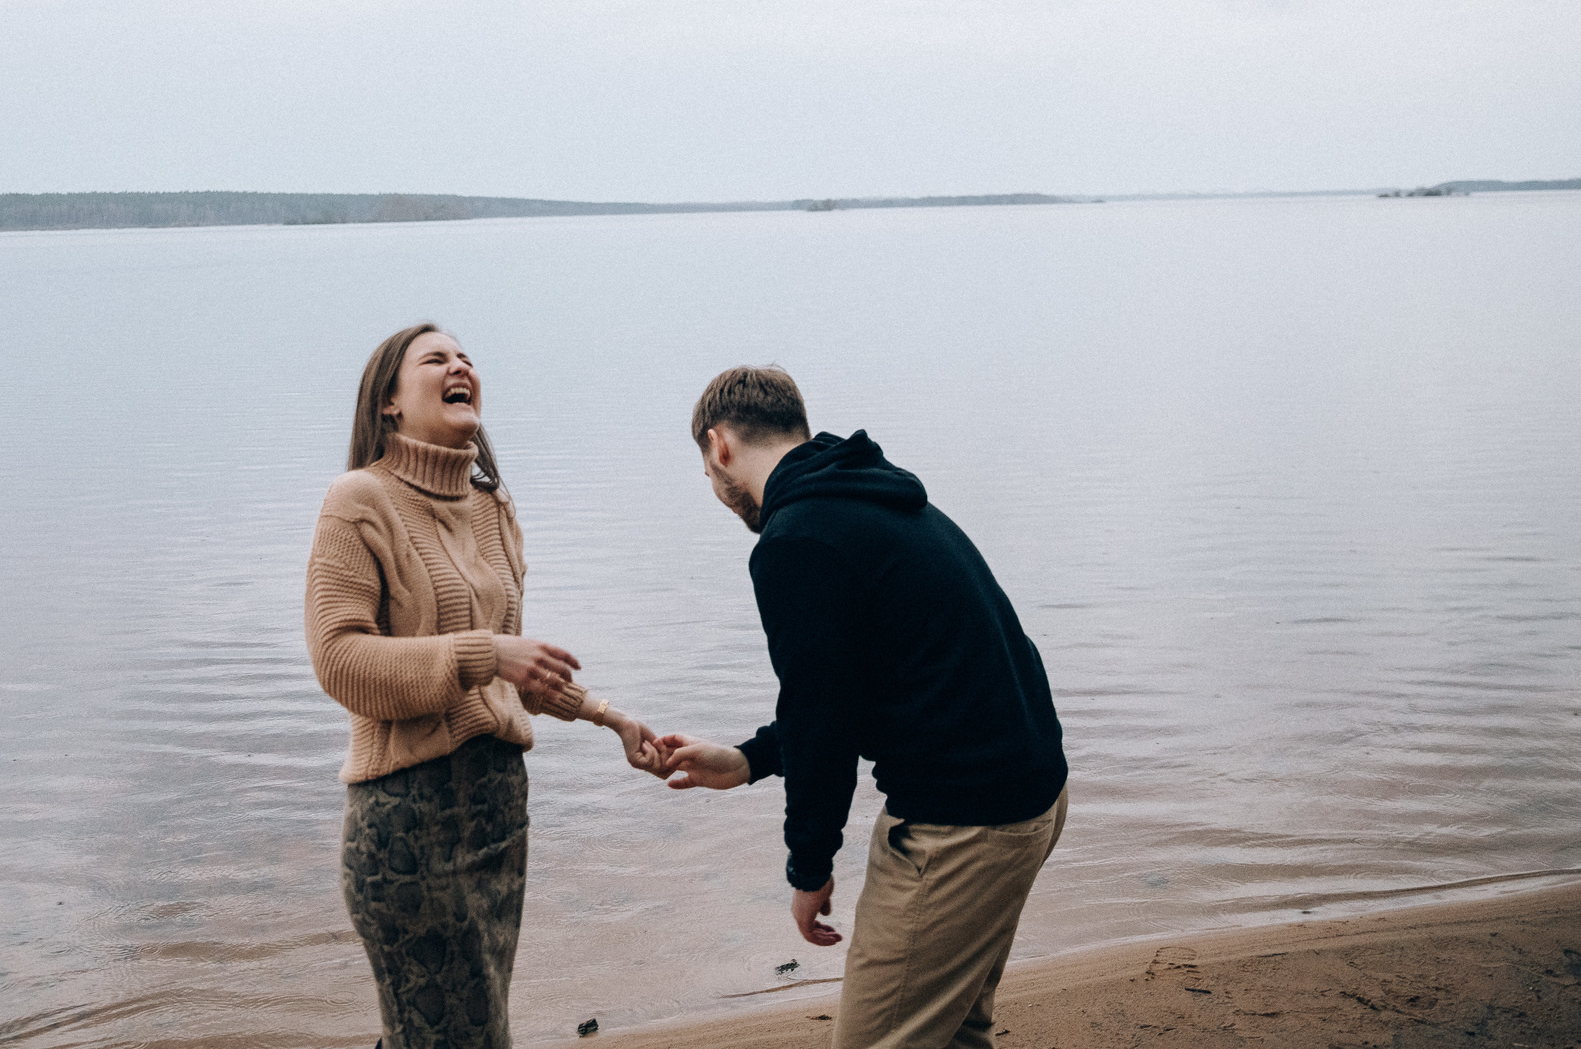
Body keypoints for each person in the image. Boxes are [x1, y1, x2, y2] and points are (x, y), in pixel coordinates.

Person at [653, 365, 1068, 1049]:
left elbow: (823, 728)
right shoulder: (871, 498)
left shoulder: (797, 538)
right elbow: (852, 691)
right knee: (953, 1030)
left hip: (963, 822)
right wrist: (749, 759)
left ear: (718, 444)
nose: (718, 494)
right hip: (1028, 795)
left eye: (706, 472)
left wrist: (809, 868)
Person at [306, 323, 662, 1049]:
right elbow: (340, 660)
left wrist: (607, 716)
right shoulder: (358, 500)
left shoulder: (492, 508)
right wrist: (484, 652)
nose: (459, 364)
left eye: (465, 356)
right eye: (434, 359)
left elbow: (514, 669)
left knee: (466, 1026)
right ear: (388, 404)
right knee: (450, 1035)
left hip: (500, 810)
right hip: (407, 816)